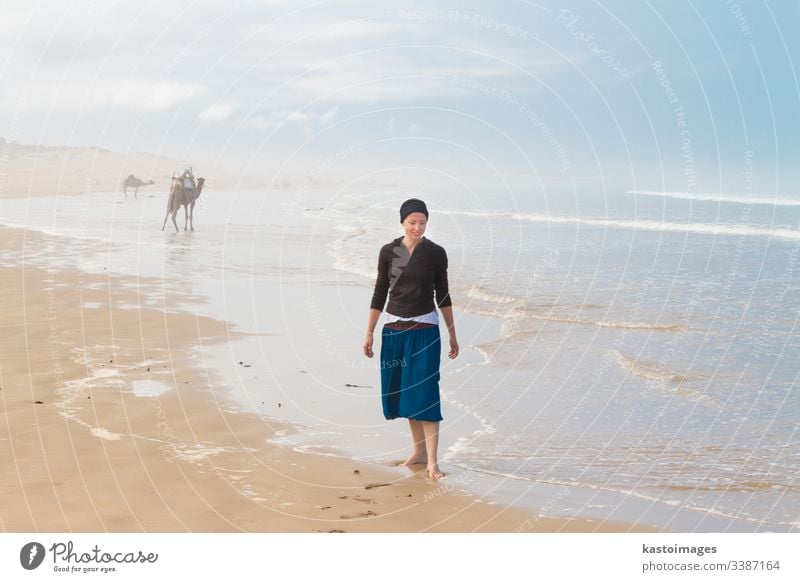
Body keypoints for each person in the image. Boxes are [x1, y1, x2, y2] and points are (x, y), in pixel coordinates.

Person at [363, 198, 459, 480]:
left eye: (422, 223)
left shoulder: (435, 253)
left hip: (425, 331)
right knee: (405, 393)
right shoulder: (390, 252)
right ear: (402, 222)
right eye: (412, 223)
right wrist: (368, 332)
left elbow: (443, 295)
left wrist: (452, 333)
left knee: (426, 394)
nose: (417, 227)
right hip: (393, 330)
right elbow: (380, 292)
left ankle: (432, 462)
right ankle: (417, 453)